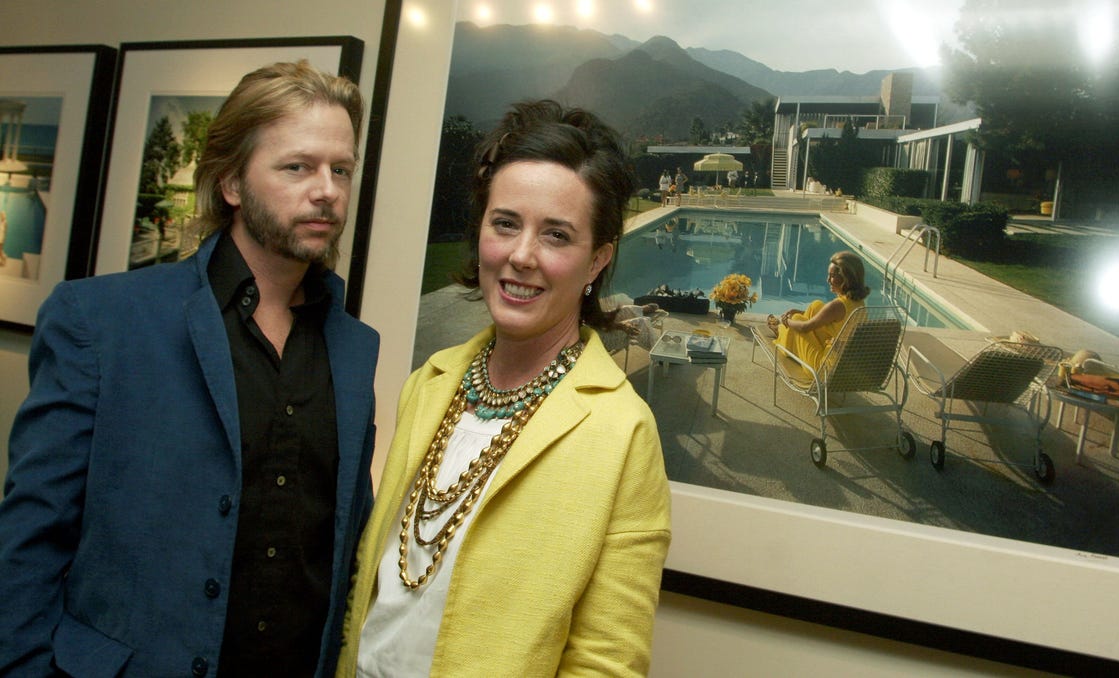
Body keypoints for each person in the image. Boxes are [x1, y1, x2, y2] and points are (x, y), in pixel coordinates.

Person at [0, 60, 380, 677]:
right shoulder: (100, 320)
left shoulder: (355, 347)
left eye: (341, 169)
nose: (327, 190)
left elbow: (341, 551)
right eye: (297, 166)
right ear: (231, 183)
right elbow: (29, 545)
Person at [341, 100, 671, 677]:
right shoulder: (431, 381)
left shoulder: (623, 433)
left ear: (597, 260)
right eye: (506, 223)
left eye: (557, 235)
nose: (521, 256)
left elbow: (607, 663)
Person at [762, 250, 870, 384]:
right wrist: (802, 313)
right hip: (845, 366)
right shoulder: (858, 302)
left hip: (824, 370)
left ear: (846, 278)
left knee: (796, 320)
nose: (828, 280)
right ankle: (785, 331)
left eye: (832, 276)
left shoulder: (837, 306)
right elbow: (828, 319)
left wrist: (787, 321)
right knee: (816, 306)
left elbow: (804, 328)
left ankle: (781, 331)